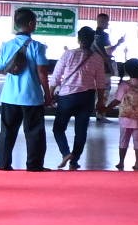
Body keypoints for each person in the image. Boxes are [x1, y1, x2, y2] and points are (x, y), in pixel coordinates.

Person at [0, 8, 52, 170]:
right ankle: (34, 165)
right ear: (31, 24)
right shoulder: (37, 47)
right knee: (34, 132)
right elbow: (42, 73)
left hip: (9, 96)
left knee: (7, 132)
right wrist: (48, 95)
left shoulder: (6, 46)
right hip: (31, 97)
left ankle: (4, 164)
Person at [47, 30, 110, 170]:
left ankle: (66, 153)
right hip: (87, 97)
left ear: (79, 40)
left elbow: (56, 76)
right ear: (93, 40)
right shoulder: (97, 58)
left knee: (58, 128)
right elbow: (101, 82)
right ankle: (74, 161)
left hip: (67, 97)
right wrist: (100, 101)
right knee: (81, 132)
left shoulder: (68, 54)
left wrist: (49, 95)